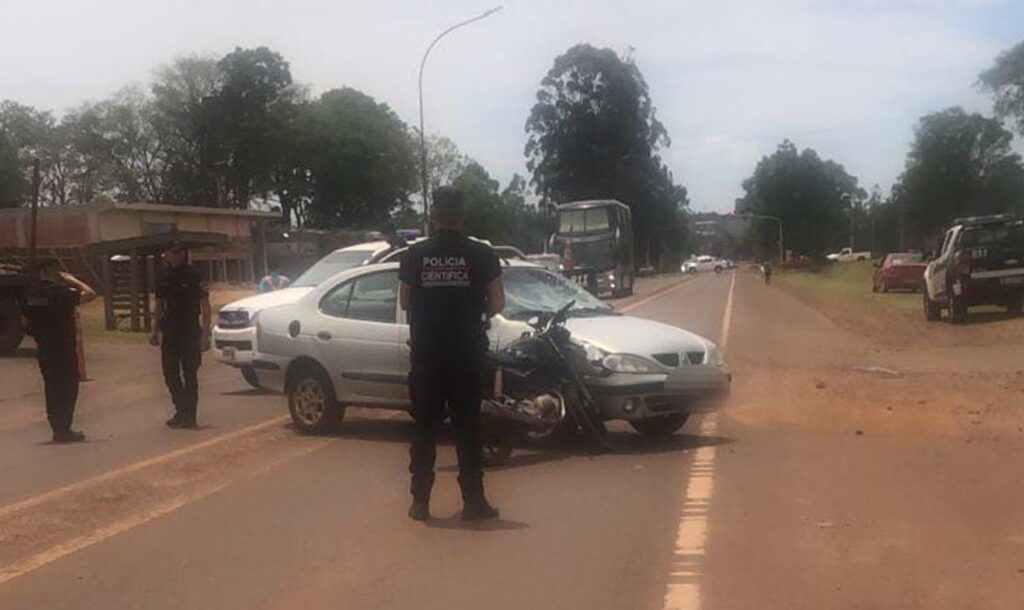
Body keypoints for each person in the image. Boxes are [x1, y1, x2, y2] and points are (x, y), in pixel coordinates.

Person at [399, 186, 506, 522]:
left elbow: (404, 302)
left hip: (427, 356)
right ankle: (473, 502)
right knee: (468, 430)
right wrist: (475, 310)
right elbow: (499, 301)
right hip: (466, 356)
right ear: (463, 214)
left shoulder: (414, 256)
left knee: (425, 429)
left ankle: (420, 503)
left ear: (433, 214)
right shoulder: (482, 255)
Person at [19, 259, 96, 443]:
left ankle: (57, 429)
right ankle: (64, 429)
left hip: (44, 347)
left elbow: (24, 321)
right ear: (51, 271)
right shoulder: (60, 292)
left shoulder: (30, 295)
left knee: (52, 388)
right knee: (68, 388)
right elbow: (90, 294)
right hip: (62, 347)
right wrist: (71, 280)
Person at [150, 242, 212, 429]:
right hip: (170, 330)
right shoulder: (163, 276)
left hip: (190, 330)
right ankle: (181, 410)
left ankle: (190, 416)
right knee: (170, 374)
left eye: (179, 253)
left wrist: (206, 333)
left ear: (184, 254)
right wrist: (154, 330)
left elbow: (205, 305)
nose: (175, 256)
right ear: (167, 254)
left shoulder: (195, 274)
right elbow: (159, 305)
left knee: (190, 373)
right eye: (171, 252)